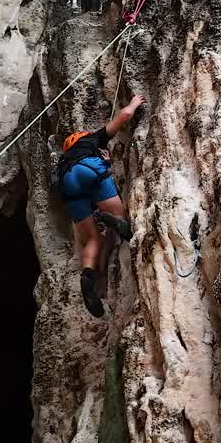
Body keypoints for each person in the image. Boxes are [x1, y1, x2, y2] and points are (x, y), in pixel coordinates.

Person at [55, 93, 144, 317]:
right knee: (119, 213)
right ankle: (113, 219)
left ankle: (87, 276)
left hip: (67, 185)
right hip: (88, 169)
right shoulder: (92, 139)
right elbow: (124, 115)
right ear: (81, 137)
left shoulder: (63, 162)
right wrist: (134, 102)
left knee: (93, 239)